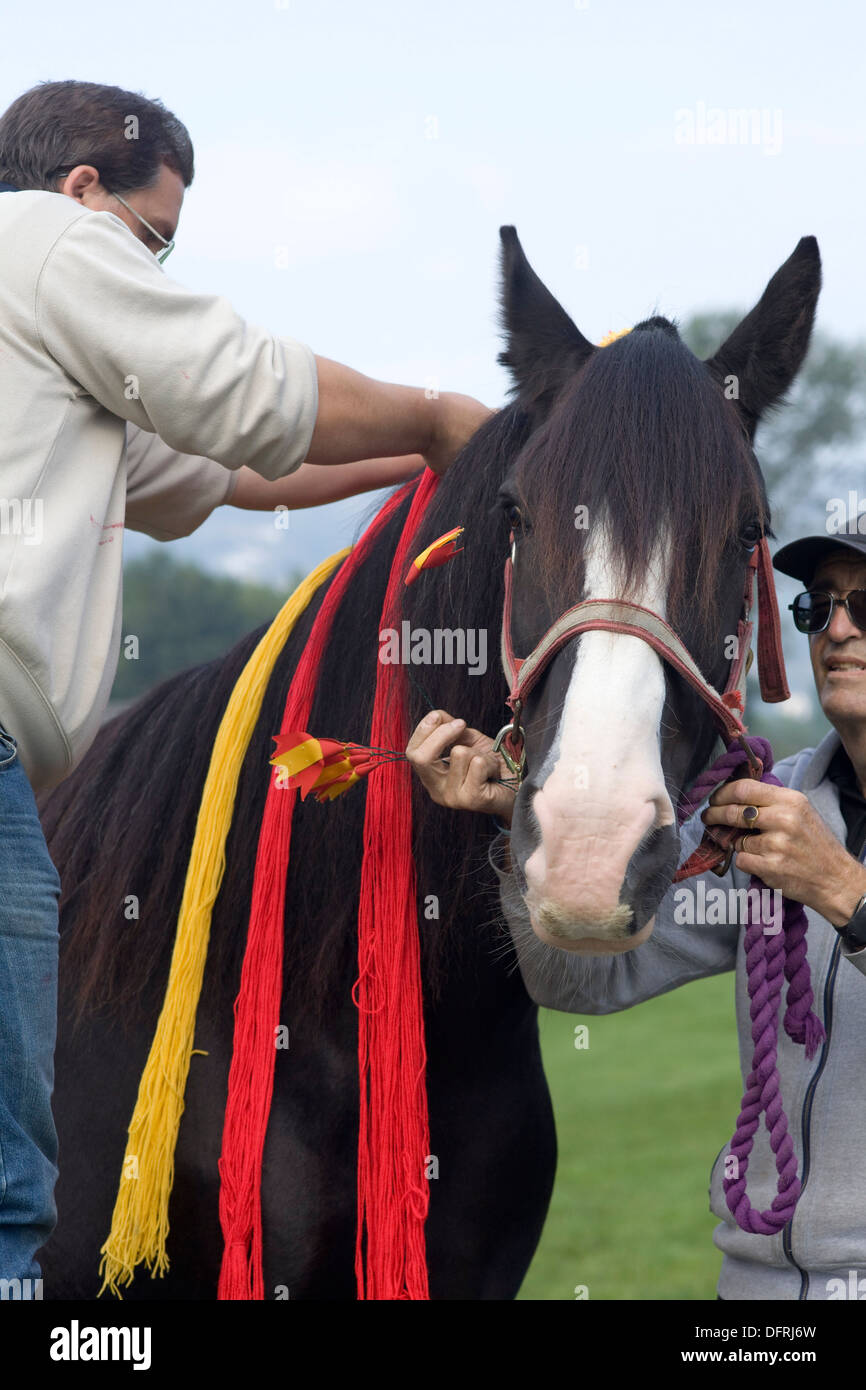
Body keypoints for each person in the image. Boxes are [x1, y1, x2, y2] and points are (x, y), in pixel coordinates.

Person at [0, 78, 490, 1291]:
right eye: (151, 243)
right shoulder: (40, 238)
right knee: (10, 1187)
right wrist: (440, 414)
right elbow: (242, 387)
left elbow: (227, 471)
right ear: (81, 191)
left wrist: (428, 456)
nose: (153, 277)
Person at [407, 528, 866, 1300]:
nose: (839, 629)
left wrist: (846, 896)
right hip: (756, 1292)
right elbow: (585, 984)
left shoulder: (801, 846)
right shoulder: (771, 810)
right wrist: (526, 825)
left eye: (865, 607)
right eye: (818, 608)